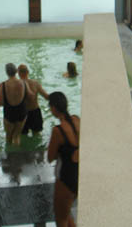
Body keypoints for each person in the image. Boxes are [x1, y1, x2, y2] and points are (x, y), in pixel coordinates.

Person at [47, 92, 80, 227]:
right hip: (79, 175)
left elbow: (50, 158)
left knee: (61, 219)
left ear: (54, 108)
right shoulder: (77, 120)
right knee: (67, 216)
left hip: (65, 178)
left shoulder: (58, 131)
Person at [0, 63, 35, 145]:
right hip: (21, 111)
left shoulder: (2, 85)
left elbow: (0, 102)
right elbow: (31, 96)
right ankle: (17, 155)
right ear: (16, 71)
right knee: (16, 136)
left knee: (8, 137)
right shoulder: (23, 83)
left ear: (6, 72)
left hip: (9, 112)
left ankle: (9, 155)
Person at [18, 64, 49, 135]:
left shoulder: (17, 85)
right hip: (35, 112)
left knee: (23, 136)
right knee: (37, 135)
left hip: (22, 113)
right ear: (28, 72)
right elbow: (46, 96)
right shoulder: (35, 83)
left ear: (18, 73)